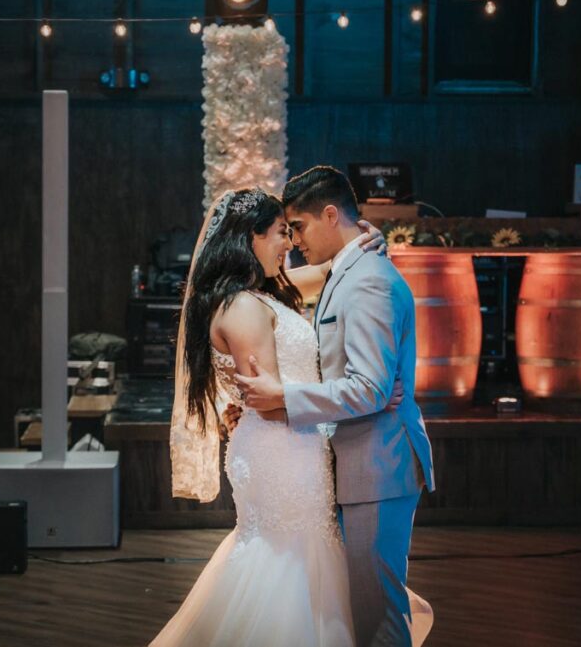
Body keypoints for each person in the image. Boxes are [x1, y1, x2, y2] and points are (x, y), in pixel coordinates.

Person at [151, 187, 420, 647]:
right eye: (280, 232)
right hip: (283, 451)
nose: (289, 243)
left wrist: (363, 241)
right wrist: (369, 396)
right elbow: (273, 401)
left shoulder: (262, 295)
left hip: (296, 444)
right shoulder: (241, 307)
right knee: (288, 565)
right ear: (250, 238)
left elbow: (327, 271)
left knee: (306, 562)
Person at [235, 166, 435, 647]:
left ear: (330, 215)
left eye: (298, 227)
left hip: (377, 463)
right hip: (359, 460)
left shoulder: (366, 279)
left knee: (379, 618)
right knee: (360, 611)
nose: (295, 240)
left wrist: (285, 398)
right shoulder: (350, 268)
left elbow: (368, 388)